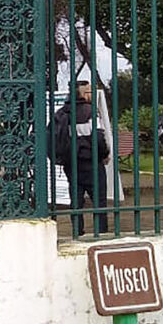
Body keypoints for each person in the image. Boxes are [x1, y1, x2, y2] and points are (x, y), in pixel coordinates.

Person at [48, 80, 111, 238]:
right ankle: (101, 234)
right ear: (84, 94)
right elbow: (98, 138)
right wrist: (104, 154)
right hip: (91, 162)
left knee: (76, 201)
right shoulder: (89, 111)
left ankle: (77, 232)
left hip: (71, 164)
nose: (92, 94)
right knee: (99, 202)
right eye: (90, 91)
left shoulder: (61, 113)